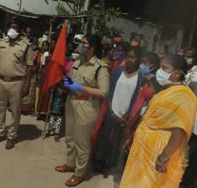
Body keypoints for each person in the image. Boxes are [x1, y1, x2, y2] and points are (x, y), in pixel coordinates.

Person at [120, 54, 197, 188]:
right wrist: (132, 136)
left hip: (159, 152)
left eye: (164, 68)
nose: (159, 71)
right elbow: (148, 117)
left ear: (177, 74)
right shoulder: (163, 91)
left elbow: (179, 130)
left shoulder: (185, 96)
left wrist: (164, 157)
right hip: (143, 149)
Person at [55, 35, 110, 187]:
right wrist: (65, 83)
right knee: (70, 137)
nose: (80, 45)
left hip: (86, 106)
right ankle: (70, 164)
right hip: (72, 101)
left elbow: (103, 92)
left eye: (83, 43)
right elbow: (71, 80)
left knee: (82, 142)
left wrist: (80, 88)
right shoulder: (77, 62)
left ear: (92, 47)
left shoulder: (100, 67)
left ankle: (79, 173)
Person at [92, 46, 143, 184]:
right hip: (111, 111)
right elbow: (110, 91)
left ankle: (113, 167)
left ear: (139, 59)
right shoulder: (118, 71)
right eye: (128, 57)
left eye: (133, 57)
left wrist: (127, 115)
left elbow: (137, 99)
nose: (129, 60)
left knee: (118, 141)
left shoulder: (141, 78)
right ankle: (99, 164)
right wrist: (111, 111)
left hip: (125, 116)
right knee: (104, 138)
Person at [0, 20, 33, 150]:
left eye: (15, 27)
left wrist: (27, 84)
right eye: (10, 27)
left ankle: (12, 136)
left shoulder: (26, 46)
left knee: (15, 110)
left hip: (16, 82)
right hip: (1, 80)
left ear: (20, 30)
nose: (12, 30)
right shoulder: (1, 43)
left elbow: (30, 67)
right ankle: (0, 132)